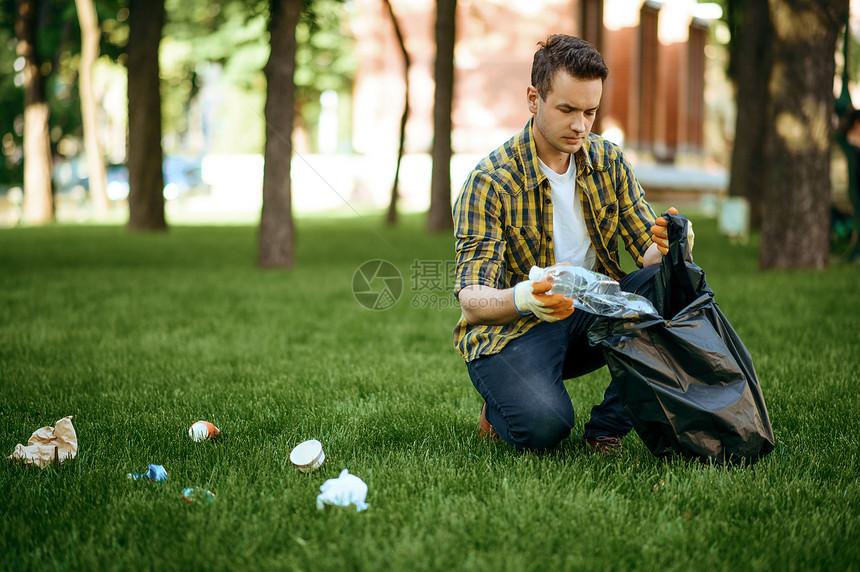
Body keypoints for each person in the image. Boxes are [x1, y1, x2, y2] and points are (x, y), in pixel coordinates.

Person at [452, 34, 686, 455]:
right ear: (533, 98)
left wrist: (674, 244)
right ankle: (503, 401)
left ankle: (607, 428)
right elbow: (472, 300)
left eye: (590, 111)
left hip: (590, 317)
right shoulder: (490, 182)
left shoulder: (608, 161)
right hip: (513, 332)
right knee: (545, 427)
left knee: (675, 284)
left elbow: (647, 255)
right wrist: (528, 296)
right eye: (567, 109)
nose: (580, 125)